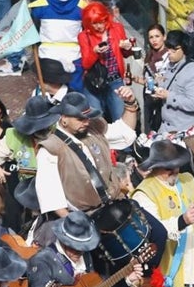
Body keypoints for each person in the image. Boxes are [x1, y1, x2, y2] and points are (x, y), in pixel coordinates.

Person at [34, 90, 137, 220]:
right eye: (80, 119)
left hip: (118, 203)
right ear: (64, 118)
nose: (86, 122)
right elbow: (51, 199)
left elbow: (124, 131)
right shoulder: (50, 149)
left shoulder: (93, 130)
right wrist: (80, 226)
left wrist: (130, 103)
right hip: (89, 216)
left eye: (87, 118)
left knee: (159, 233)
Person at [153, 29, 194, 133]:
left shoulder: (193, 72)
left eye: (174, 50)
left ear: (184, 49)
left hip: (183, 130)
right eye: (168, 49)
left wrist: (169, 96)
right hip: (165, 129)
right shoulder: (170, 65)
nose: (169, 53)